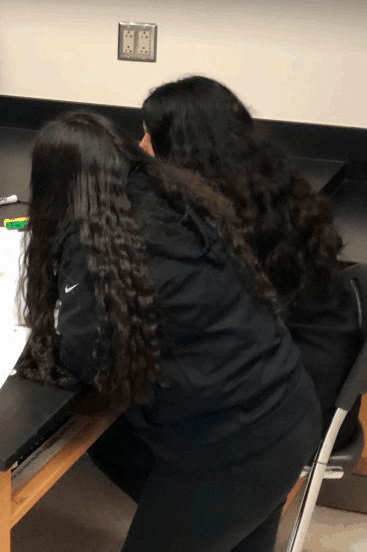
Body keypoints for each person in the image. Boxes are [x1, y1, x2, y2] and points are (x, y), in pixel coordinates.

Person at [17, 111, 320, 552]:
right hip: (286, 411)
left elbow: (84, 353)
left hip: (230, 449)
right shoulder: (175, 200)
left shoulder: (96, 244)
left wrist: (46, 342)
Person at [140, 75, 360, 443]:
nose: (140, 146)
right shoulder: (270, 184)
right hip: (314, 379)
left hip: (284, 408)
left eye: (148, 135)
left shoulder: (214, 218)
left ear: (179, 148)